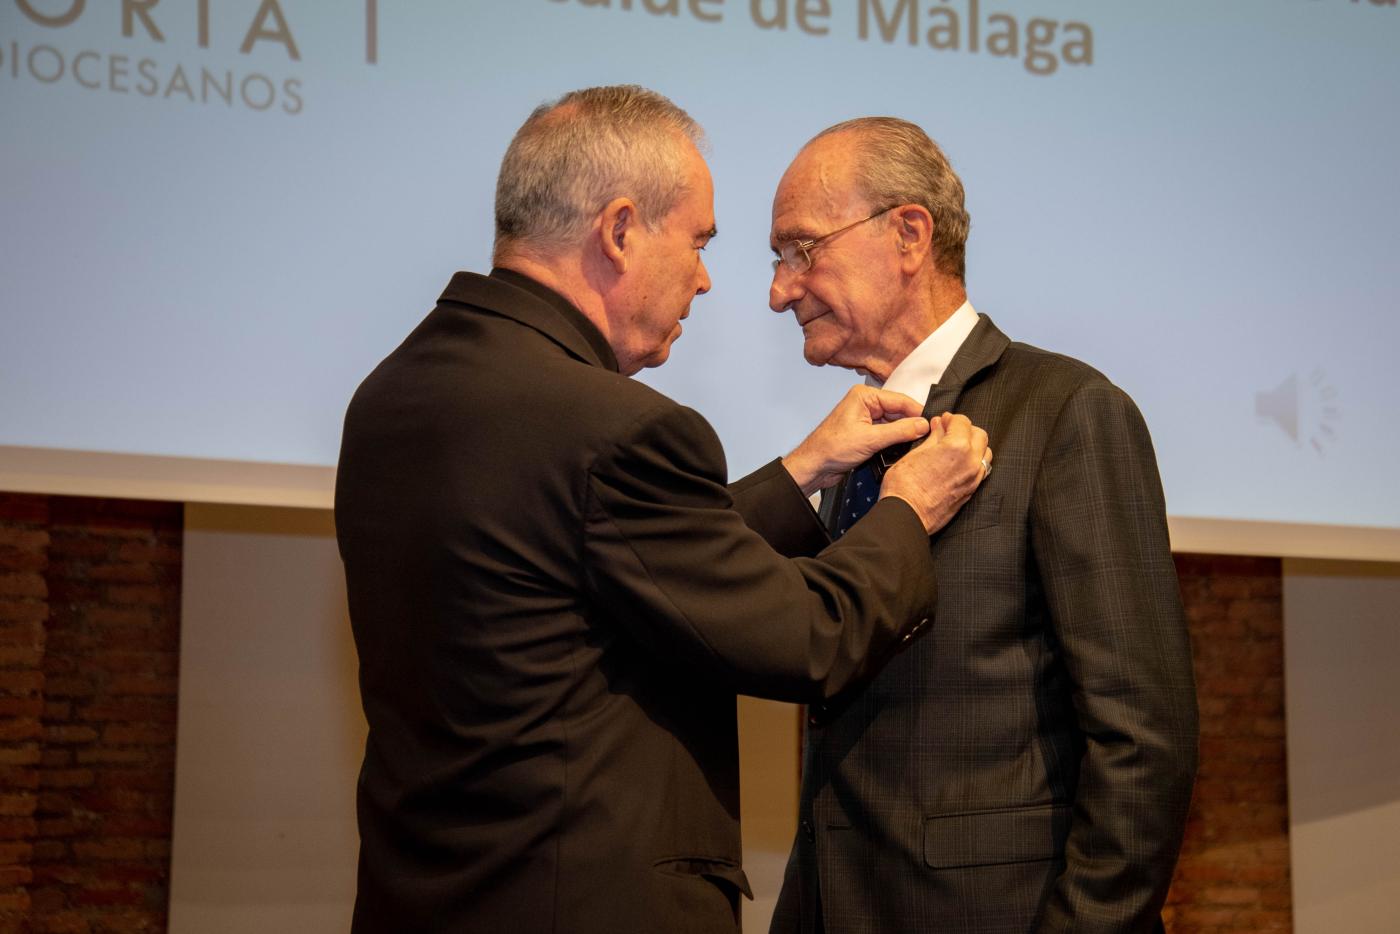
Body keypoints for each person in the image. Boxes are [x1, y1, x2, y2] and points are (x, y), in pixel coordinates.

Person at [334, 88, 991, 934]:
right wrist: (906, 507)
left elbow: (612, 565)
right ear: (617, 231)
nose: (712, 279)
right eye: (700, 242)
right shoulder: (612, 427)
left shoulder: (393, 395)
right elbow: (807, 639)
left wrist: (801, 471)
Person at [766, 118, 1198, 933]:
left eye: (802, 250)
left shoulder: (1067, 412)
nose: (780, 290)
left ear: (908, 233)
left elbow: (1143, 739)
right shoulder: (851, 443)